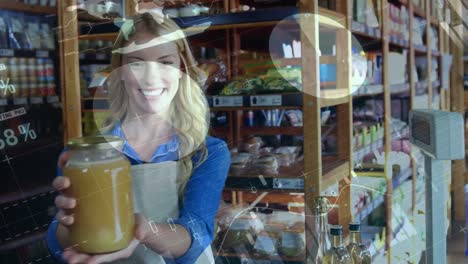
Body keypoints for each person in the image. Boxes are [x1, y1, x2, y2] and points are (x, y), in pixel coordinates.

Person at [46, 11, 230, 264]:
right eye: (136, 63)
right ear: (119, 72)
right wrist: (69, 228)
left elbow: (196, 232)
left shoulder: (208, 152)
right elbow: (59, 242)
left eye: (165, 62)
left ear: (181, 69)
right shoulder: (84, 156)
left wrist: (144, 231)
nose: (151, 77)